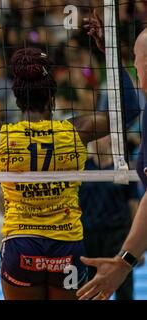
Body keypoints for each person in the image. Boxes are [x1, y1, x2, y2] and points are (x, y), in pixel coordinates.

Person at [0, 2, 139, 299]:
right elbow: (130, 110)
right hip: (66, 247)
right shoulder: (76, 131)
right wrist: (109, 51)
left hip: (21, 246)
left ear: (16, 95)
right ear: (52, 95)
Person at [77, 11, 147, 300]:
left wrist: (124, 261)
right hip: (97, 238)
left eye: (135, 57)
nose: (134, 64)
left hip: (116, 231)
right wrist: (124, 260)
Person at [79, 135, 140, 300]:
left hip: (117, 235)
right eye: (96, 138)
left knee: (124, 286)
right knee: (89, 287)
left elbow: (133, 204)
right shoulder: (84, 167)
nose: (99, 141)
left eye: (103, 137)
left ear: (111, 140)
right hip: (88, 235)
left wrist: (137, 247)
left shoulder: (121, 168)